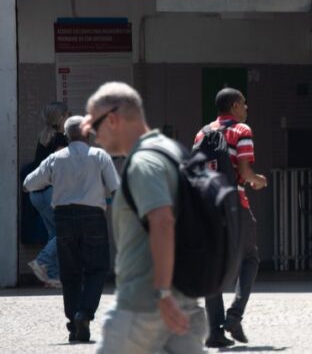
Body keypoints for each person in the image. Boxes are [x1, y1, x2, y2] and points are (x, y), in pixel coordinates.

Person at [84, 82, 208, 354]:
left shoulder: (143, 163)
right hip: (184, 303)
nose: (95, 138)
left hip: (143, 309)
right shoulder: (173, 151)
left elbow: (162, 221)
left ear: (112, 120)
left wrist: (162, 293)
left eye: (94, 128)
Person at [23, 115, 119, 343]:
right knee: (97, 269)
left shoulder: (56, 158)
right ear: (88, 133)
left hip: (63, 218)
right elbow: (116, 188)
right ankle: (84, 314)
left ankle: (74, 324)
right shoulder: (100, 156)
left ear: (66, 136)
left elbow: (28, 184)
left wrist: (56, 179)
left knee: (70, 273)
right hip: (93, 218)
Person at [194, 87, 267, 348]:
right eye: (244, 103)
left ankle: (214, 332)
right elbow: (245, 173)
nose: (246, 108)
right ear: (234, 106)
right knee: (249, 258)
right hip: (234, 205)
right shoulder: (241, 131)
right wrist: (259, 180)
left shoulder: (202, 133)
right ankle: (234, 317)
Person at [21, 101, 69, 288]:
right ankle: (42, 261)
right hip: (52, 193)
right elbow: (62, 167)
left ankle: (52, 277)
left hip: (36, 194)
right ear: (61, 118)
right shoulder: (60, 140)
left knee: (54, 234)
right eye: (67, 115)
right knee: (65, 231)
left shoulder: (43, 137)